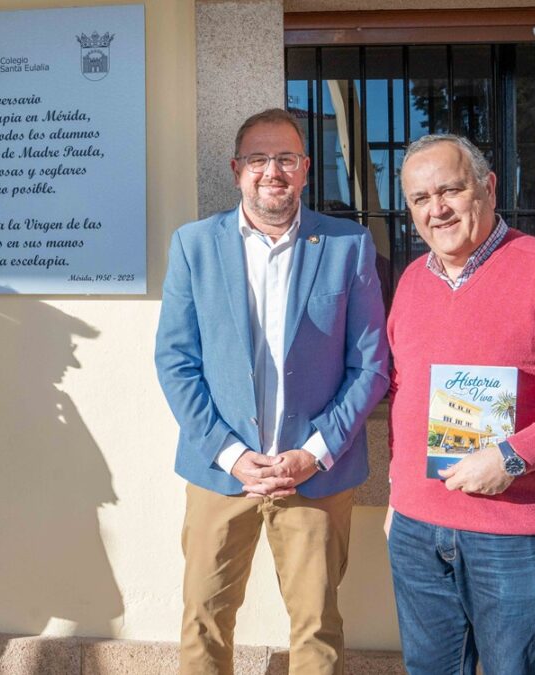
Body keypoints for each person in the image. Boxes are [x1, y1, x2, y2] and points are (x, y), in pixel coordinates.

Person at [155, 108, 389, 675]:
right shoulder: (193, 245)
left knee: (316, 627)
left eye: (285, 158)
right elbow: (176, 361)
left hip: (314, 474)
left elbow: (372, 365)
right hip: (220, 471)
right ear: (237, 170)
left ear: (306, 169)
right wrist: (232, 455)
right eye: (258, 159)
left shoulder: (347, 245)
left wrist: (314, 451)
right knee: (204, 621)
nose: (271, 171)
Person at [386, 134, 535, 674]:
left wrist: (512, 456)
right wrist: (395, 495)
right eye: (420, 199)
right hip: (416, 531)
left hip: (513, 536)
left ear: (487, 187)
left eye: (451, 189)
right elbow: (406, 390)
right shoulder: (410, 283)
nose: (437, 209)